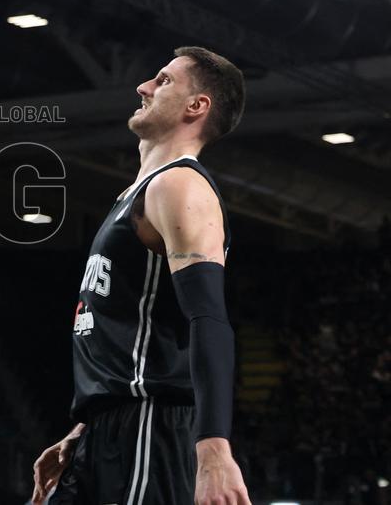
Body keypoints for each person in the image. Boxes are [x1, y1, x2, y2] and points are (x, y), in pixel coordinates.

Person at [31, 47, 251, 505]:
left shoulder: (180, 185)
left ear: (197, 106)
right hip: (108, 429)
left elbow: (208, 318)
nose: (144, 86)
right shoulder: (137, 193)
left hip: (150, 425)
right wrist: (88, 424)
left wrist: (213, 445)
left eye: (164, 80)